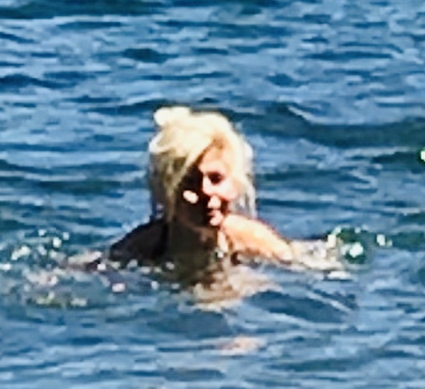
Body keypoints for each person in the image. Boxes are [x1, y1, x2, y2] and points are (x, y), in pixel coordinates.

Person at [108, 107, 298, 276]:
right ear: (166, 190)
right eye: (190, 182)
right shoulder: (138, 250)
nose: (206, 192)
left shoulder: (255, 242)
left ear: (234, 183)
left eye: (216, 179)